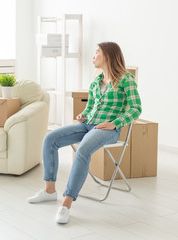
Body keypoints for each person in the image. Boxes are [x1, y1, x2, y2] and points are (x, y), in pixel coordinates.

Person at [27, 42, 142, 223]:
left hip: (108, 129)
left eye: (97, 52)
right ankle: (49, 191)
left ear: (108, 56)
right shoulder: (96, 81)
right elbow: (90, 107)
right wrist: (84, 115)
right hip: (88, 125)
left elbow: (136, 109)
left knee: (83, 149)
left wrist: (114, 123)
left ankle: (66, 203)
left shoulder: (126, 79)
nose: (94, 56)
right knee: (50, 138)